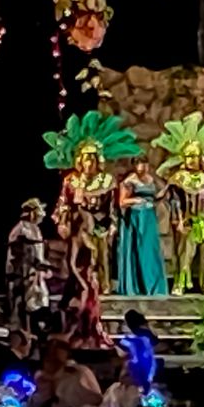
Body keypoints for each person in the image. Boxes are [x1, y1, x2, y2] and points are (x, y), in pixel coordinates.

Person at [46, 110, 143, 294]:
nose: (89, 162)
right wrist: (62, 222)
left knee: (101, 256)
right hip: (77, 225)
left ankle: (103, 285)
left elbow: (112, 206)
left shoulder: (107, 180)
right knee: (77, 258)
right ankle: (80, 286)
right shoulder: (71, 180)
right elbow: (63, 202)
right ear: (79, 160)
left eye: (92, 158)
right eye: (85, 158)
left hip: (100, 224)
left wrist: (113, 224)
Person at [155, 113, 204, 296]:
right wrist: (178, 221)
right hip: (188, 222)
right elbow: (174, 201)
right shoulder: (179, 178)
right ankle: (180, 284)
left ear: (202, 158)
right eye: (189, 156)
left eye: (195, 156)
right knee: (185, 255)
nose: (192, 160)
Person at [62, 207, 114, 348]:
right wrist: (81, 282)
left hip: (91, 277)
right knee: (84, 309)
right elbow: (72, 264)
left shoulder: (90, 239)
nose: (92, 224)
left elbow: (94, 262)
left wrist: (95, 277)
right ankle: (79, 335)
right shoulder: (75, 240)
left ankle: (92, 335)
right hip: (81, 278)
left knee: (94, 308)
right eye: (89, 221)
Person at [117, 159, 168, 296]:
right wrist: (135, 200)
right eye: (141, 164)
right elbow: (122, 202)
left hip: (149, 217)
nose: (144, 167)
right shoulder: (130, 181)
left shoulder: (151, 179)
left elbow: (154, 197)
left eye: (146, 164)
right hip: (137, 217)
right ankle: (138, 286)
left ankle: (154, 287)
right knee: (140, 250)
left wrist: (162, 194)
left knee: (151, 249)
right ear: (135, 166)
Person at [7, 199, 52, 334]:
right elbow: (27, 251)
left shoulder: (34, 228)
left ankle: (31, 329)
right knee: (24, 301)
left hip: (32, 270)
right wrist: (39, 264)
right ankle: (23, 330)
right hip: (23, 271)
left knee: (34, 300)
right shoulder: (23, 228)